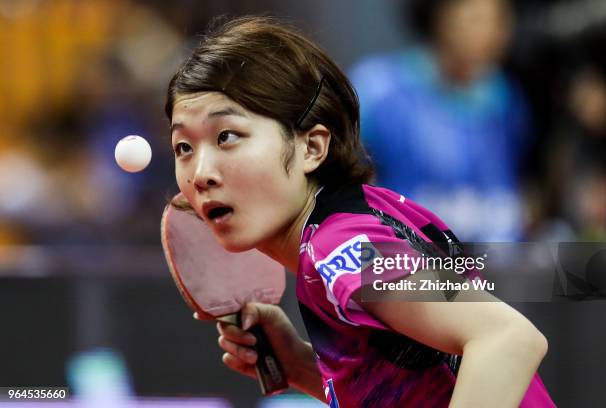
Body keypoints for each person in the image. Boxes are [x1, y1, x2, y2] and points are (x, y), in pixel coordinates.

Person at [165, 16, 554, 407]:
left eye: (227, 136)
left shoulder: (343, 250)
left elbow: (506, 338)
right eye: (184, 147)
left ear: (312, 148)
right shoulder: (364, 214)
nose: (200, 173)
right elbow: (425, 386)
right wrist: (300, 365)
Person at [350, 0, 530, 242]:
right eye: (476, 19)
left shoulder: (506, 98)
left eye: (500, 21)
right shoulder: (378, 88)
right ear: (440, 19)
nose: (492, 34)